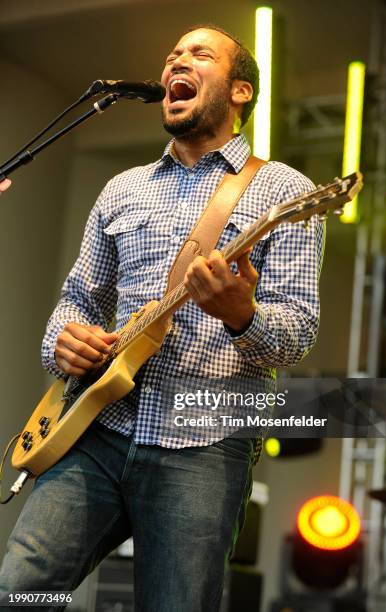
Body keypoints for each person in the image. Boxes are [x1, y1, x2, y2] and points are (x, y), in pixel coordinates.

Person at [0, 25, 324, 611]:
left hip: (206, 445)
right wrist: (63, 344)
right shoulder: (122, 188)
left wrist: (240, 314)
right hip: (97, 430)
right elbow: (77, 300)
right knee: (17, 593)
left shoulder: (286, 190)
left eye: (200, 54)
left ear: (240, 91)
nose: (178, 60)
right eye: (173, 54)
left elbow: (297, 333)